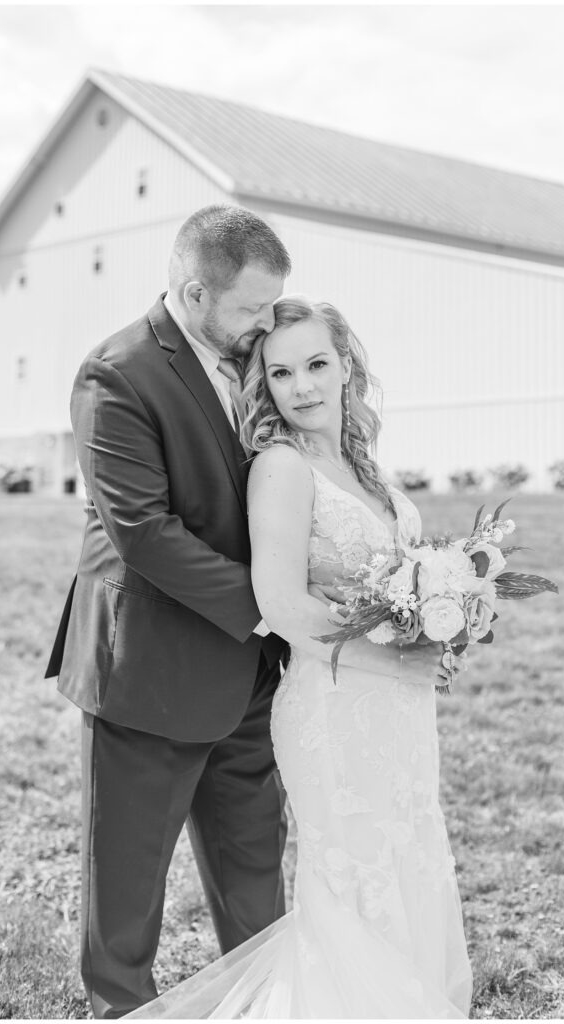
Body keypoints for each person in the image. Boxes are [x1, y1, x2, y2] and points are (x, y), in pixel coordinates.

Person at [126, 297, 472, 1019]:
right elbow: (282, 607)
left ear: (347, 365)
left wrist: (441, 622)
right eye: (281, 373)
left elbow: (392, 587)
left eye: (317, 364)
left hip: (400, 715)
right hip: (334, 709)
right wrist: (405, 658)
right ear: (265, 386)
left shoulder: (360, 462)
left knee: (410, 854)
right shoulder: (281, 467)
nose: (303, 385)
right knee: (355, 878)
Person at [45, 206, 344, 1018]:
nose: (265, 324)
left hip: (251, 674)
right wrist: (274, 608)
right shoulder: (116, 372)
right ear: (192, 290)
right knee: (128, 885)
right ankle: (121, 1011)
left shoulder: (256, 361)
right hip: (150, 668)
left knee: (255, 865)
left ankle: (266, 1004)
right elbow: (142, 532)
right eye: (250, 308)